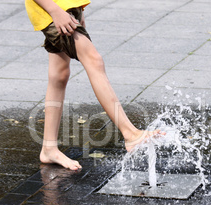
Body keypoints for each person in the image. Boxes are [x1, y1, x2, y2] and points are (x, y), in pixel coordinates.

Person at [25, 0, 163, 171]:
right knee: (93, 60)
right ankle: (130, 133)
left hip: (65, 8)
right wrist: (55, 11)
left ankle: (49, 149)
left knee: (59, 75)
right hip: (53, 10)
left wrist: (79, 9)